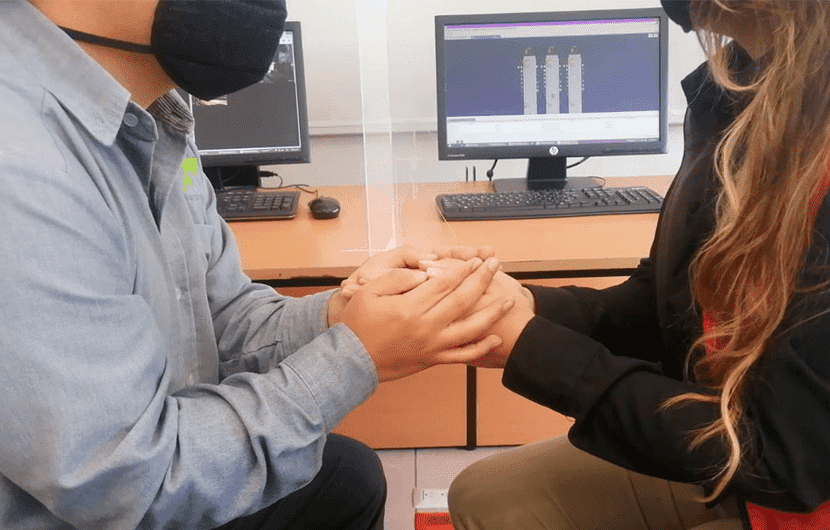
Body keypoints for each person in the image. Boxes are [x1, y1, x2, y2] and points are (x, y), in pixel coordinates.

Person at [0, 1, 514, 529]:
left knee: (347, 477)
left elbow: (218, 319)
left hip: (148, 477)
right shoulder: (24, 167)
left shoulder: (154, 116)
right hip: (119, 502)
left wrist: (343, 314)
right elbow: (131, 484)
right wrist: (356, 355)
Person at [443, 1, 830, 529]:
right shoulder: (734, 94)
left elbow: (783, 461)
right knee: (486, 495)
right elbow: (672, 303)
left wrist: (534, 349)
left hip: (788, 486)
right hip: (745, 450)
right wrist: (528, 305)